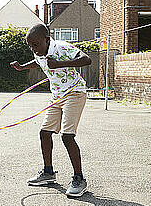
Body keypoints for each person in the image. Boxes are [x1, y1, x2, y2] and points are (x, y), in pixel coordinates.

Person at [10, 24, 91, 197]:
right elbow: (39, 63)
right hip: (57, 96)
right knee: (44, 133)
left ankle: (79, 179)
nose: (34, 49)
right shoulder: (39, 51)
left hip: (74, 93)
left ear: (47, 40)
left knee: (67, 136)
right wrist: (23, 67)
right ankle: (48, 173)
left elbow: (87, 59)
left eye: (36, 44)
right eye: (30, 46)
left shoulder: (61, 47)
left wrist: (59, 64)